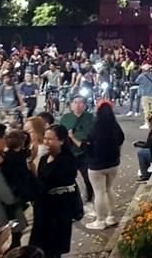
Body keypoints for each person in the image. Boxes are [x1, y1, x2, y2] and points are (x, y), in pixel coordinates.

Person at [29, 125, 78, 258]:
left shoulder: (67, 160)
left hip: (58, 210)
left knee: (53, 248)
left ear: (61, 141)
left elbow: (50, 182)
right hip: (43, 209)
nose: (46, 142)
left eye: (50, 139)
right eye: (45, 138)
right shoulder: (45, 159)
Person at [86, 101, 125, 230]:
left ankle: (100, 220)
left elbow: (88, 144)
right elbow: (121, 139)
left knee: (99, 192)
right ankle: (111, 216)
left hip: (97, 165)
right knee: (109, 189)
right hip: (113, 163)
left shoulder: (95, 127)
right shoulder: (114, 126)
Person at [60, 95, 95, 202]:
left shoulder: (90, 118)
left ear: (84, 106)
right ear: (71, 105)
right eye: (75, 102)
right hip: (70, 152)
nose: (78, 105)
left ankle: (89, 197)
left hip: (84, 152)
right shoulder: (66, 118)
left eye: (80, 103)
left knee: (87, 178)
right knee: (68, 178)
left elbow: (92, 135)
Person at [133, 63, 152, 129]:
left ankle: (147, 123)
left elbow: (136, 81)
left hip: (144, 94)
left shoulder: (141, 76)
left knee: (146, 109)